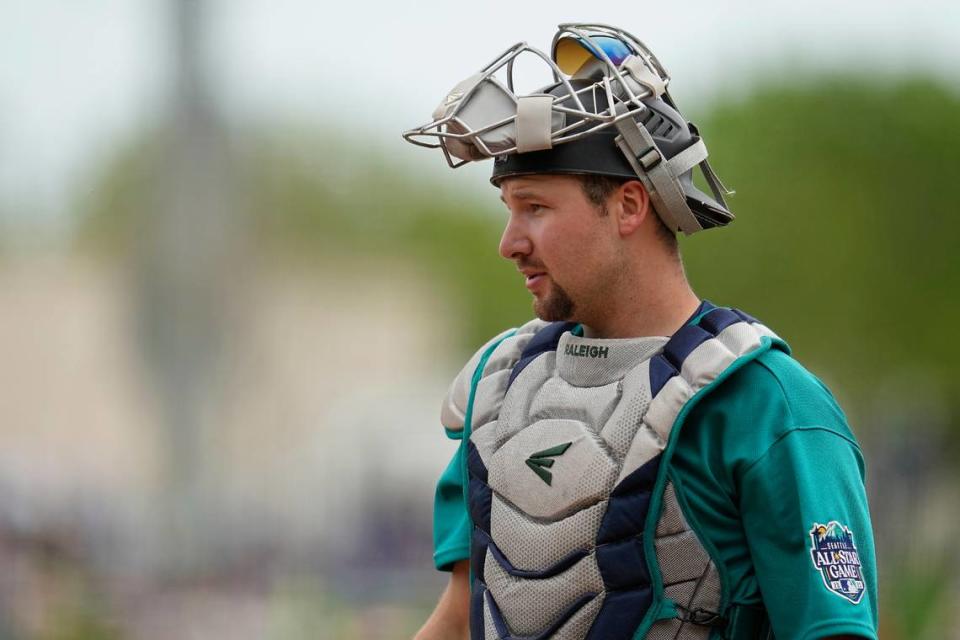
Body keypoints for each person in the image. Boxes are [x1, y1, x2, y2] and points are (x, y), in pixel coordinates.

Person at [402, 23, 878, 640]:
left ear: (629, 206)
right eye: (508, 209)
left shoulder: (764, 405)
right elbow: (459, 618)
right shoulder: (496, 390)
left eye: (536, 208)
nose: (509, 243)